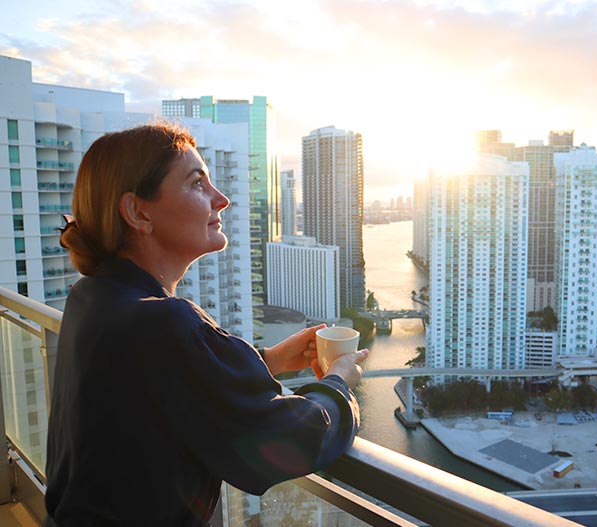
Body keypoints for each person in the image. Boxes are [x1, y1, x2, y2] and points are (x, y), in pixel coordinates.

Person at [44, 122, 368, 526]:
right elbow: (290, 440)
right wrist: (338, 383)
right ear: (138, 212)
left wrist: (267, 360)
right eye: (197, 183)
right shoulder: (164, 320)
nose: (222, 199)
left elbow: (158, 388)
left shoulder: (93, 297)